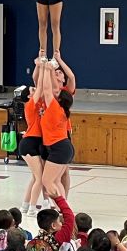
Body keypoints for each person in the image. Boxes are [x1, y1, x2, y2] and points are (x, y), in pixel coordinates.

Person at [38, 60, 74, 197]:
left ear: (59, 99)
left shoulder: (55, 108)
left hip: (60, 147)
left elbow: (47, 89)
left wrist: (47, 69)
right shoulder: (63, 110)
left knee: (47, 180)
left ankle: (63, 208)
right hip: (61, 146)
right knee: (54, 181)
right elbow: (48, 88)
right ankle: (62, 209)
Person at [18, 63, 45, 216]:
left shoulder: (37, 103)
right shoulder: (30, 105)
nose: (34, 90)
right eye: (32, 90)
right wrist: (42, 67)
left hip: (34, 142)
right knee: (40, 178)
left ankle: (25, 205)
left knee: (35, 177)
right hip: (29, 143)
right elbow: (40, 86)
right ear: (29, 95)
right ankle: (33, 209)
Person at [26, 187, 75, 251]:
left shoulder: (36, 240)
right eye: (59, 221)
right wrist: (58, 198)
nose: (61, 224)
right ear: (53, 225)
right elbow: (70, 217)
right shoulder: (60, 237)